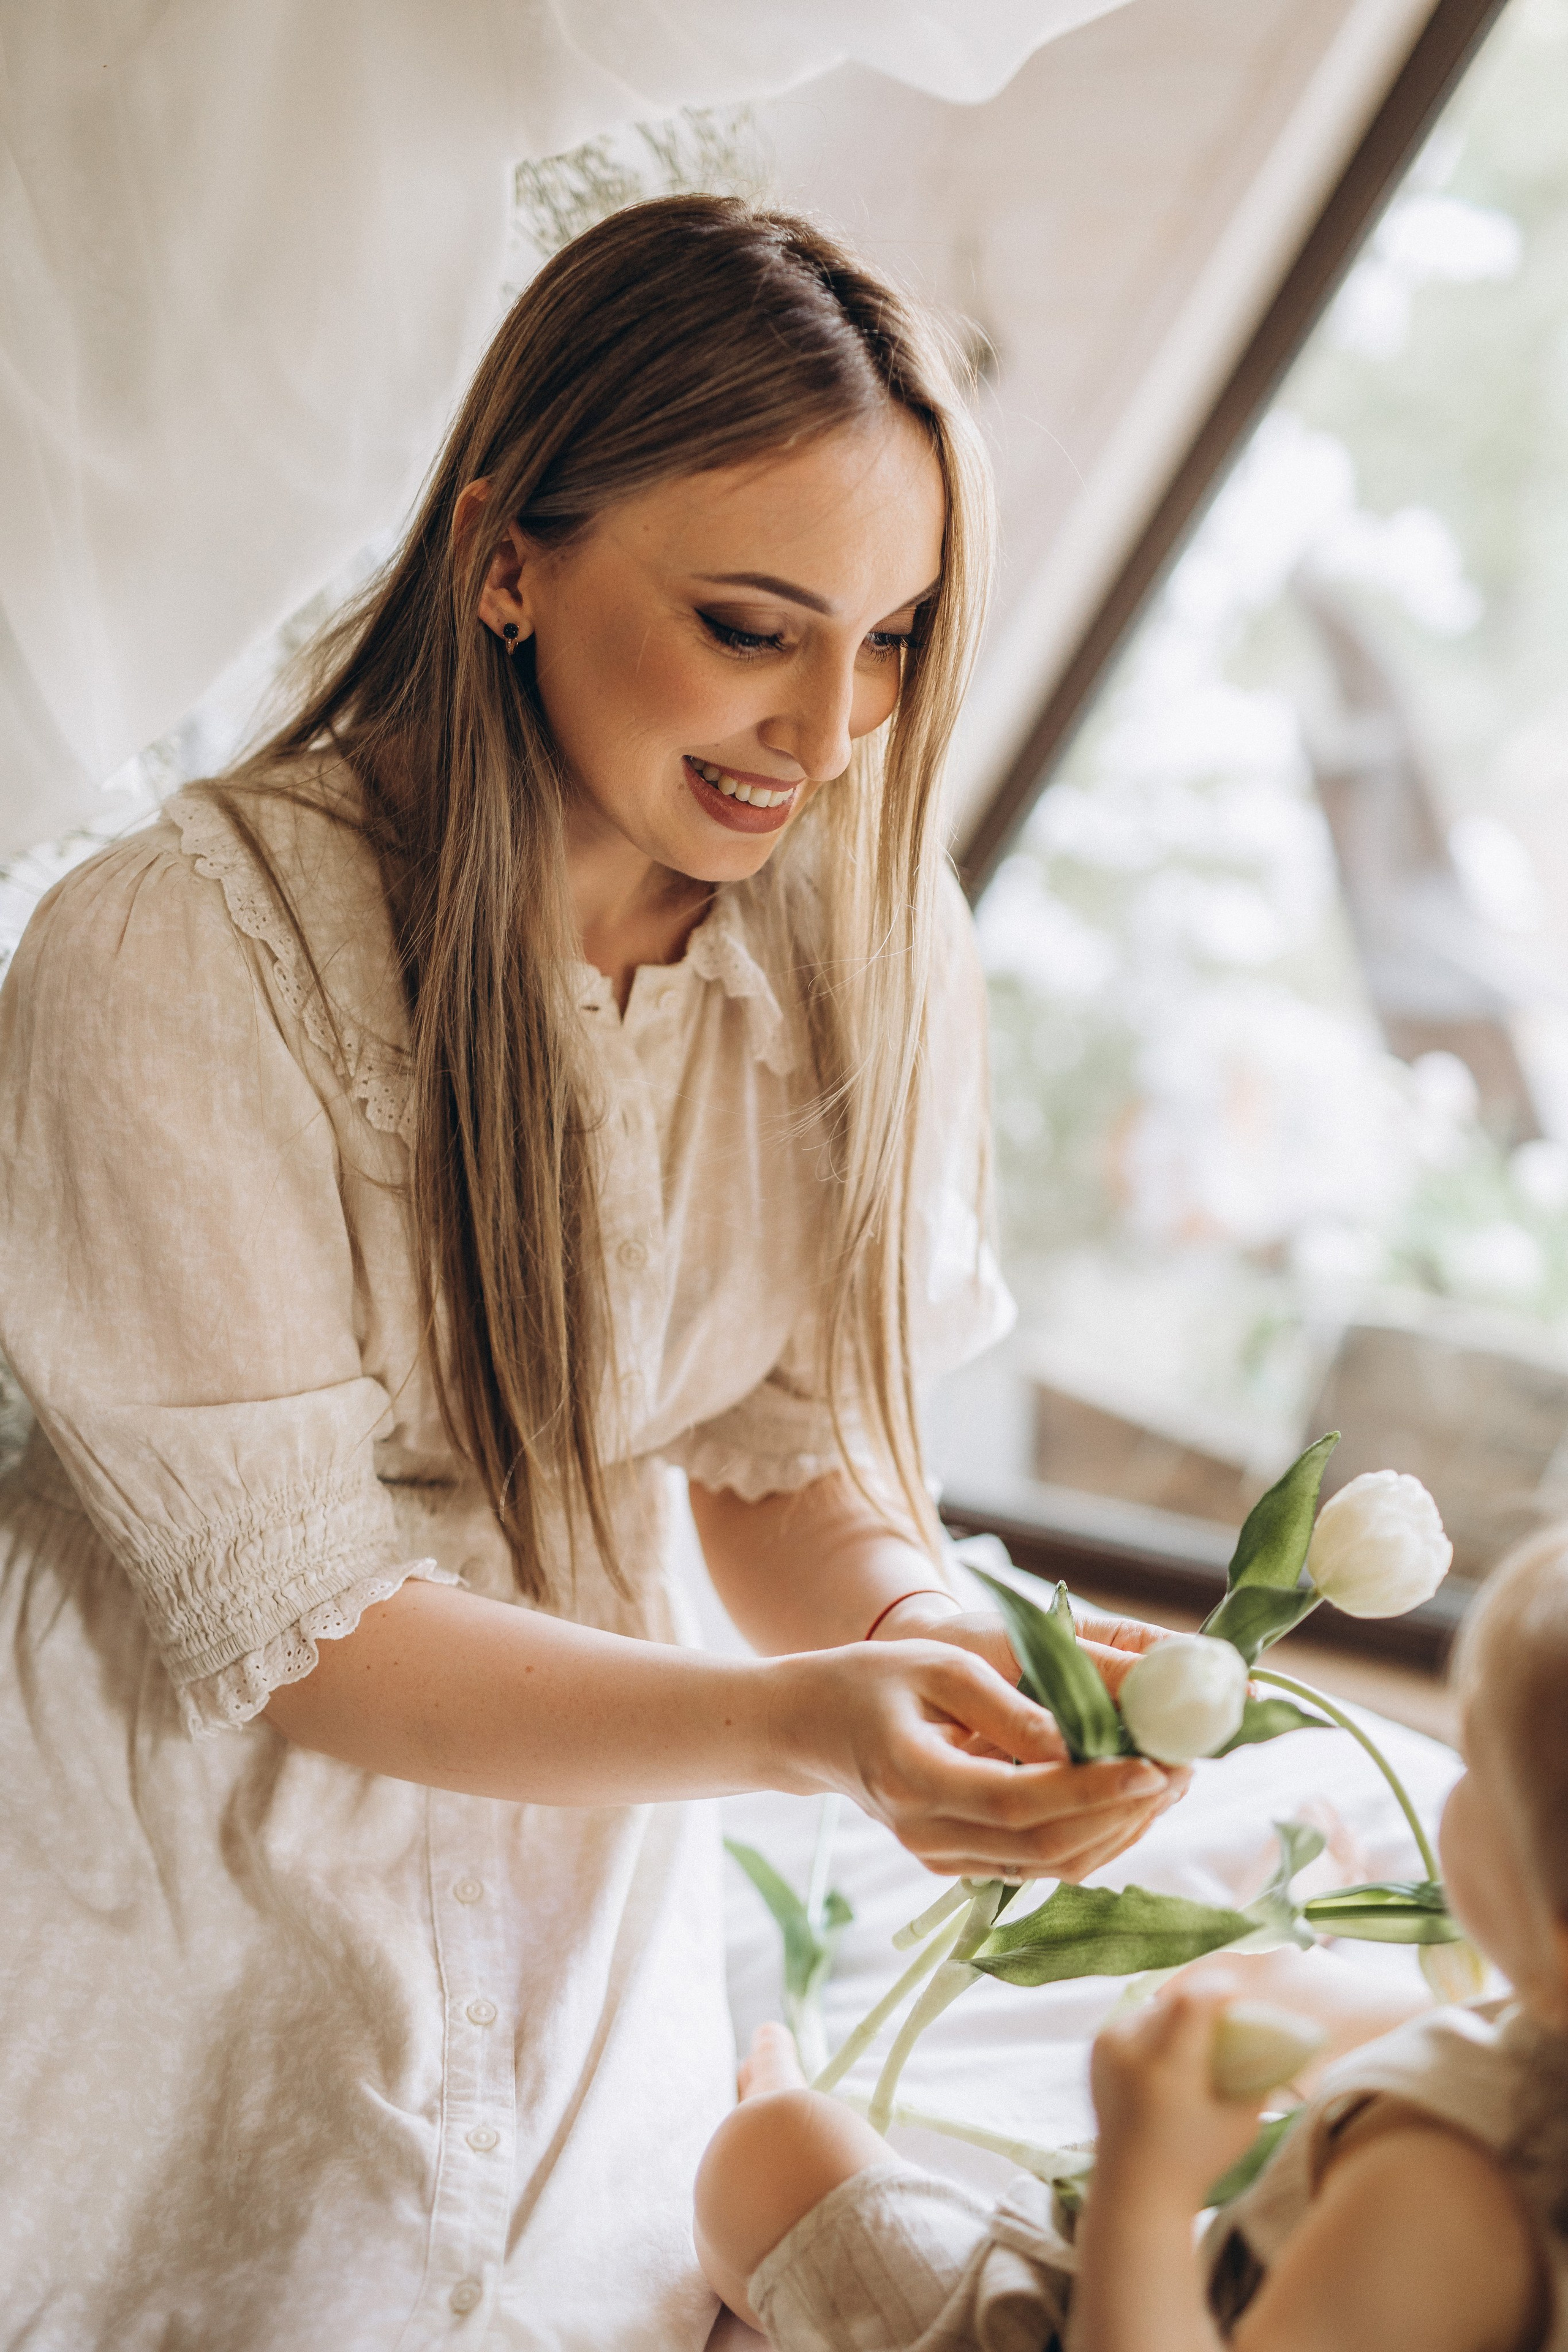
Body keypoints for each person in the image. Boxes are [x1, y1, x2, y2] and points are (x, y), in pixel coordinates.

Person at [0, 197, 1185, 2349]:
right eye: (754, 625)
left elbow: (770, 1466)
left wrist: (926, 1640)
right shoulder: (170, 957)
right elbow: (304, 1631)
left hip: (592, 1852)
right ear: (505, 560)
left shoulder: (863, 946)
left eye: (895, 638)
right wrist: (796, 1729)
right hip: (178, 1869)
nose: (830, 732)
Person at [695, 1526, 1568, 2351]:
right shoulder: (1532, 2060)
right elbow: (1418, 2041)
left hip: (1125, 2318)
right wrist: (1279, 1940)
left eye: (1478, 1769)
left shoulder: (1447, 2202)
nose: (1451, 1787)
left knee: (772, 2161)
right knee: (1290, 1999)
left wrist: (1143, 2183)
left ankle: (772, 2137)